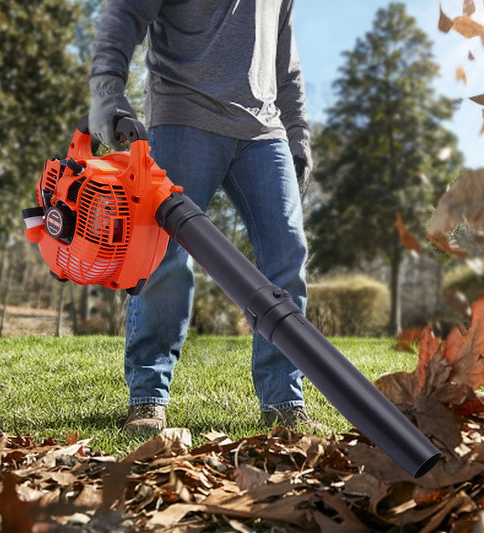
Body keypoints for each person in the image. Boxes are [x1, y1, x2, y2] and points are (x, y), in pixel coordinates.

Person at [88, 0, 320, 436]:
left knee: (286, 257)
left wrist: (298, 130)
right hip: (183, 117)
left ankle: (284, 399)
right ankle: (148, 397)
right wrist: (106, 90)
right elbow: (125, 13)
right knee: (164, 257)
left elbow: (285, 61)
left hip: (264, 132)